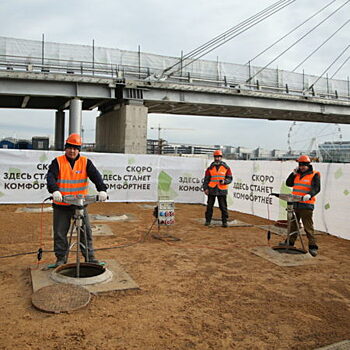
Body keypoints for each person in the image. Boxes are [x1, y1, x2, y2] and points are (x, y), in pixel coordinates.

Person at [46, 133, 108, 266]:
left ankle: (90, 258)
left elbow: (96, 176)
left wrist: (102, 189)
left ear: (79, 149)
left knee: (86, 231)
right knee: (60, 233)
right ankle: (61, 258)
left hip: (79, 205)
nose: (72, 150)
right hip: (61, 204)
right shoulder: (57, 162)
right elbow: (50, 177)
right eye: (70, 147)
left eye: (75, 148)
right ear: (65, 148)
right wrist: (55, 190)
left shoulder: (86, 162)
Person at [281, 154, 321, 257]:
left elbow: (317, 188)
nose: (302, 167)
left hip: (306, 205)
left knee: (308, 227)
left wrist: (310, 194)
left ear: (308, 165)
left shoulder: (315, 174)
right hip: (295, 204)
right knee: (293, 225)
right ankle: (290, 243)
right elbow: (288, 183)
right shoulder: (297, 174)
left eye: (304, 165)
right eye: (300, 165)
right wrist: (293, 174)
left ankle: (312, 246)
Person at [202, 150, 233, 227]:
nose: (218, 158)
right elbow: (206, 179)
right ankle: (208, 221)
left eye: (219, 157)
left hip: (222, 190)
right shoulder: (210, 168)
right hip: (212, 189)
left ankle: (224, 222)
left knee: (223, 207)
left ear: (221, 157)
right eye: (216, 157)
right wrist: (205, 188)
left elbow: (230, 178)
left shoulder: (226, 168)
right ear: (214, 157)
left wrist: (225, 181)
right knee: (209, 206)